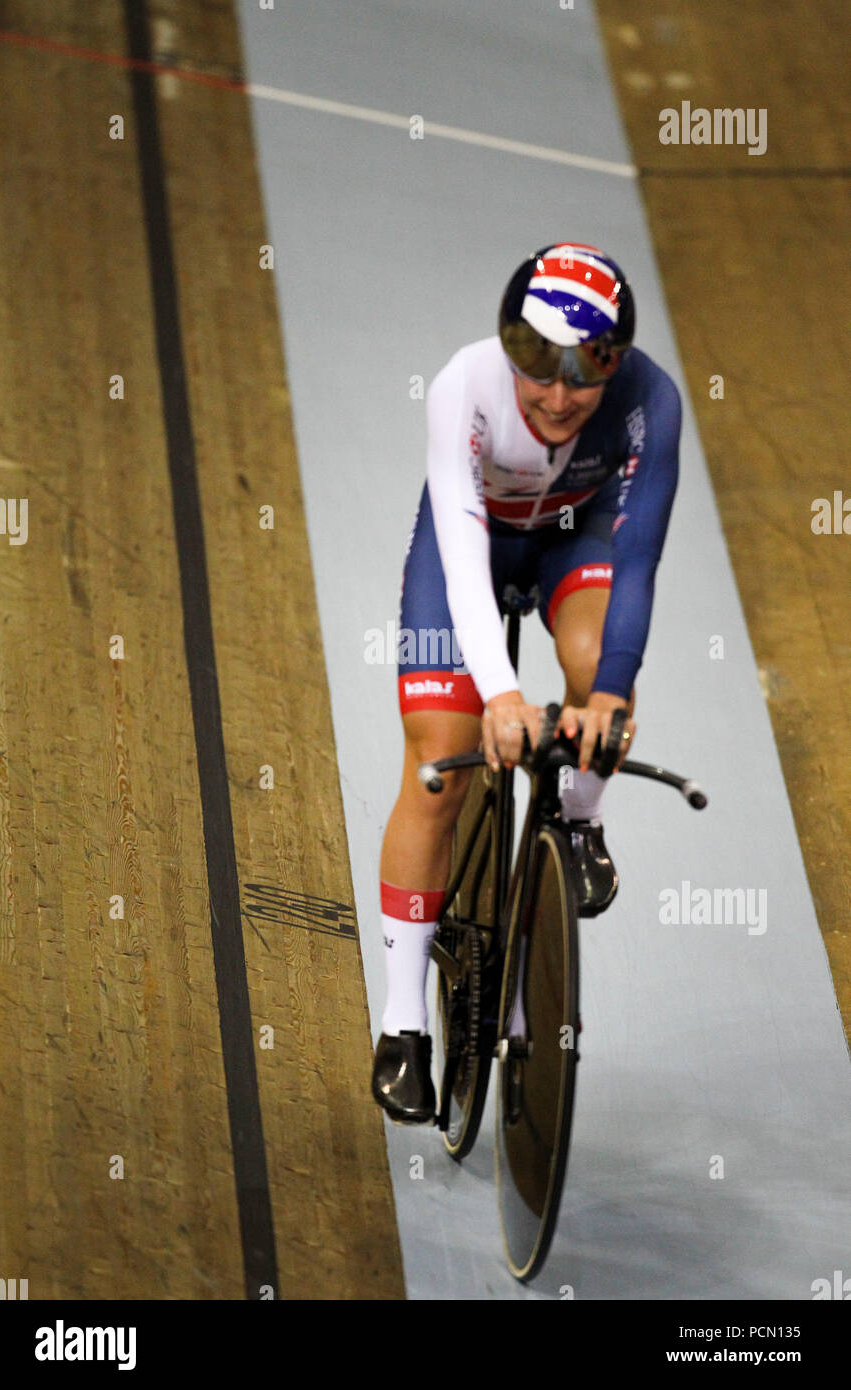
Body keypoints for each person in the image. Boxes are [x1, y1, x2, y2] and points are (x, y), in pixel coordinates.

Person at [372, 242, 681, 1123]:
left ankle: (578, 820)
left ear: (614, 363)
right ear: (507, 347)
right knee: (439, 762)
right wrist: (502, 695)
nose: (554, 395)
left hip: (575, 542)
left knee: (595, 675)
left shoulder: (649, 403)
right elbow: (463, 554)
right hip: (472, 545)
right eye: (536, 368)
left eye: (582, 375)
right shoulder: (462, 387)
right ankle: (402, 1029)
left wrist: (612, 693)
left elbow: (639, 555)